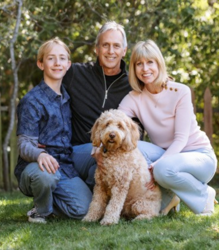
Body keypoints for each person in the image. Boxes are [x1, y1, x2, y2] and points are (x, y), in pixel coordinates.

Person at [118, 39, 217, 215]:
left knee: (163, 169)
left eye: (150, 62)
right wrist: (99, 147)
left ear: (159, 64)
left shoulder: (180, 92)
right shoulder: (134, 97)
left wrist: (158, 165)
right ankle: (170, 194)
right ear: (133, 68)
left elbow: (181, 139)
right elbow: (115, 121)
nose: (145, 68)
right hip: (167, 156)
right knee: (132, 147)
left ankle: (204, 194)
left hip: (199, 157)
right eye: (139, 64)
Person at [63, 21, 160, 191]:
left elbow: (139, 128)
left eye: (116, 46)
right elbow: (49, 94)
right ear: (97, 48)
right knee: (105, 164)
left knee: (116, 164)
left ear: (124, 51)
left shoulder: (133, 84)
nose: (110, 51)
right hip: (80, 150)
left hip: (116, 152)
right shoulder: (75, 74)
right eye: (105, 45)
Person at [14, 37, 92, 223]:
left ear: (68, 64)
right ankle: (41, 211)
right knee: (45, 176)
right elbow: (24, 145)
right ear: (41, 64)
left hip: (64, 162)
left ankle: (51, 198)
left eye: (62, 58)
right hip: (37, 167)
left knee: (85, 211)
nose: (57, 63)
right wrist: (40, 154)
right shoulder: (32, 101)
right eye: (51, 58)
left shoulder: (67, 96)